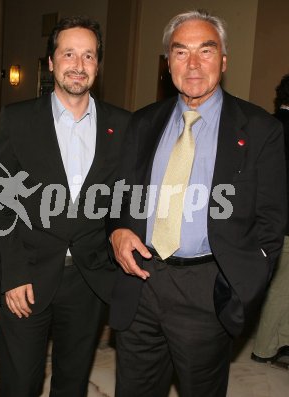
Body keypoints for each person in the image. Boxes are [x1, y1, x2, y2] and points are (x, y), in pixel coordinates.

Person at [107, 9, 286, 397]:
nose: (192, 64)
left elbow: (271, 223)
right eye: (180, 51)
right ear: (167, 62)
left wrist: (239, 286)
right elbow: (121, 193)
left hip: (208, 287)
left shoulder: (259, 130)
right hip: (141, 281)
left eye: (205, 51)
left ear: (223, 61)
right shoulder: (142, 122)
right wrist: (118, 230)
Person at [0, 15, 130, 397]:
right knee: (20, 384)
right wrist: (12, 274)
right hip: (28, 275)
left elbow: (123, 200)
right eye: (69, 53)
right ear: (52, 62)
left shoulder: (121, 125)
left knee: (72, 384)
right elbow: (0, 205)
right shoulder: (18, 119)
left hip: (89, 279)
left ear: (97, 66)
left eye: (88, 56)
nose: (79, 64)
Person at [252, 74, 289, 364]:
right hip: (285, 223)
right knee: (281, 286)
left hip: (260, 219)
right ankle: (264, 348)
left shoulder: (264, 123)